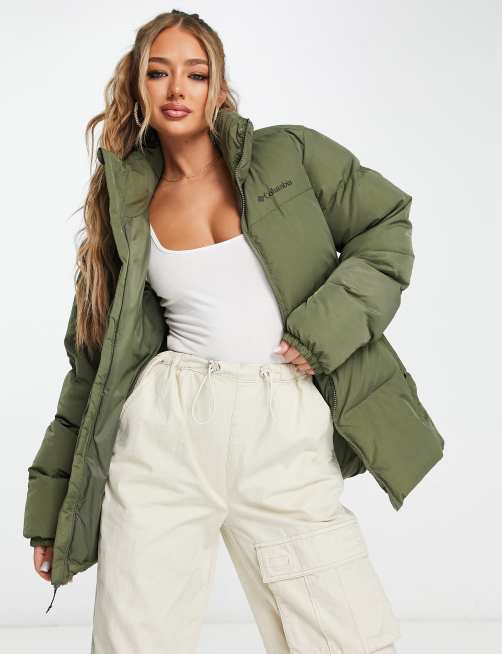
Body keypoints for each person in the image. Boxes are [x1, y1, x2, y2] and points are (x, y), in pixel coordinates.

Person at [23, 8, 445, 654]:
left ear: (217, 86)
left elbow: (386, 226)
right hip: (166, 428)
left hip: (281, 421)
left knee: (346, 636)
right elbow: (93, 364)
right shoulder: (127, 201)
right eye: (158, 72)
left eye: (195, 74)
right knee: (135, 639)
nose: (176, 89)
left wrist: (322, 331)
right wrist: (54, 507)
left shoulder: (287, 155)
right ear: (137, 84)